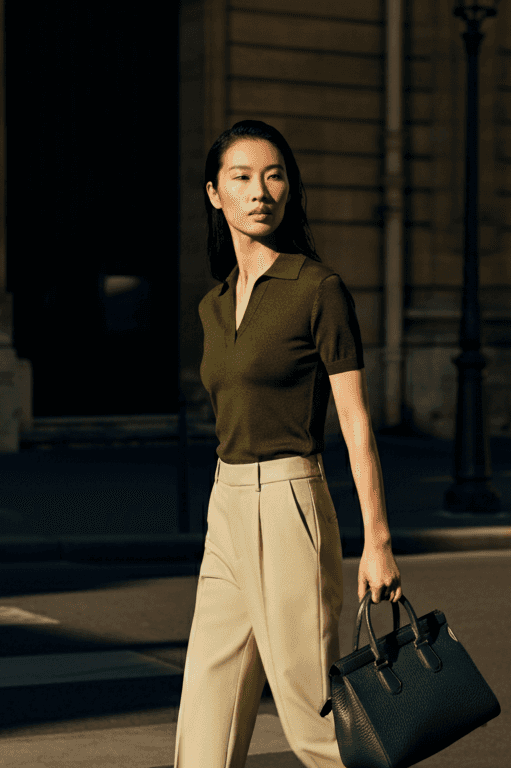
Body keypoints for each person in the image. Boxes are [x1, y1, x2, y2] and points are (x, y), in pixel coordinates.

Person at [172, 120, 403, 768]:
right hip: (227, 508)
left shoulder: (315, 289)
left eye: (274, 175)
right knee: (204, 725)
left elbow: (355, 422)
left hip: (290, 502)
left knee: (314, 724)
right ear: (215, 194)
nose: (260, 191)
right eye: (241, 177)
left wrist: (377, 542)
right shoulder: (213, 307)